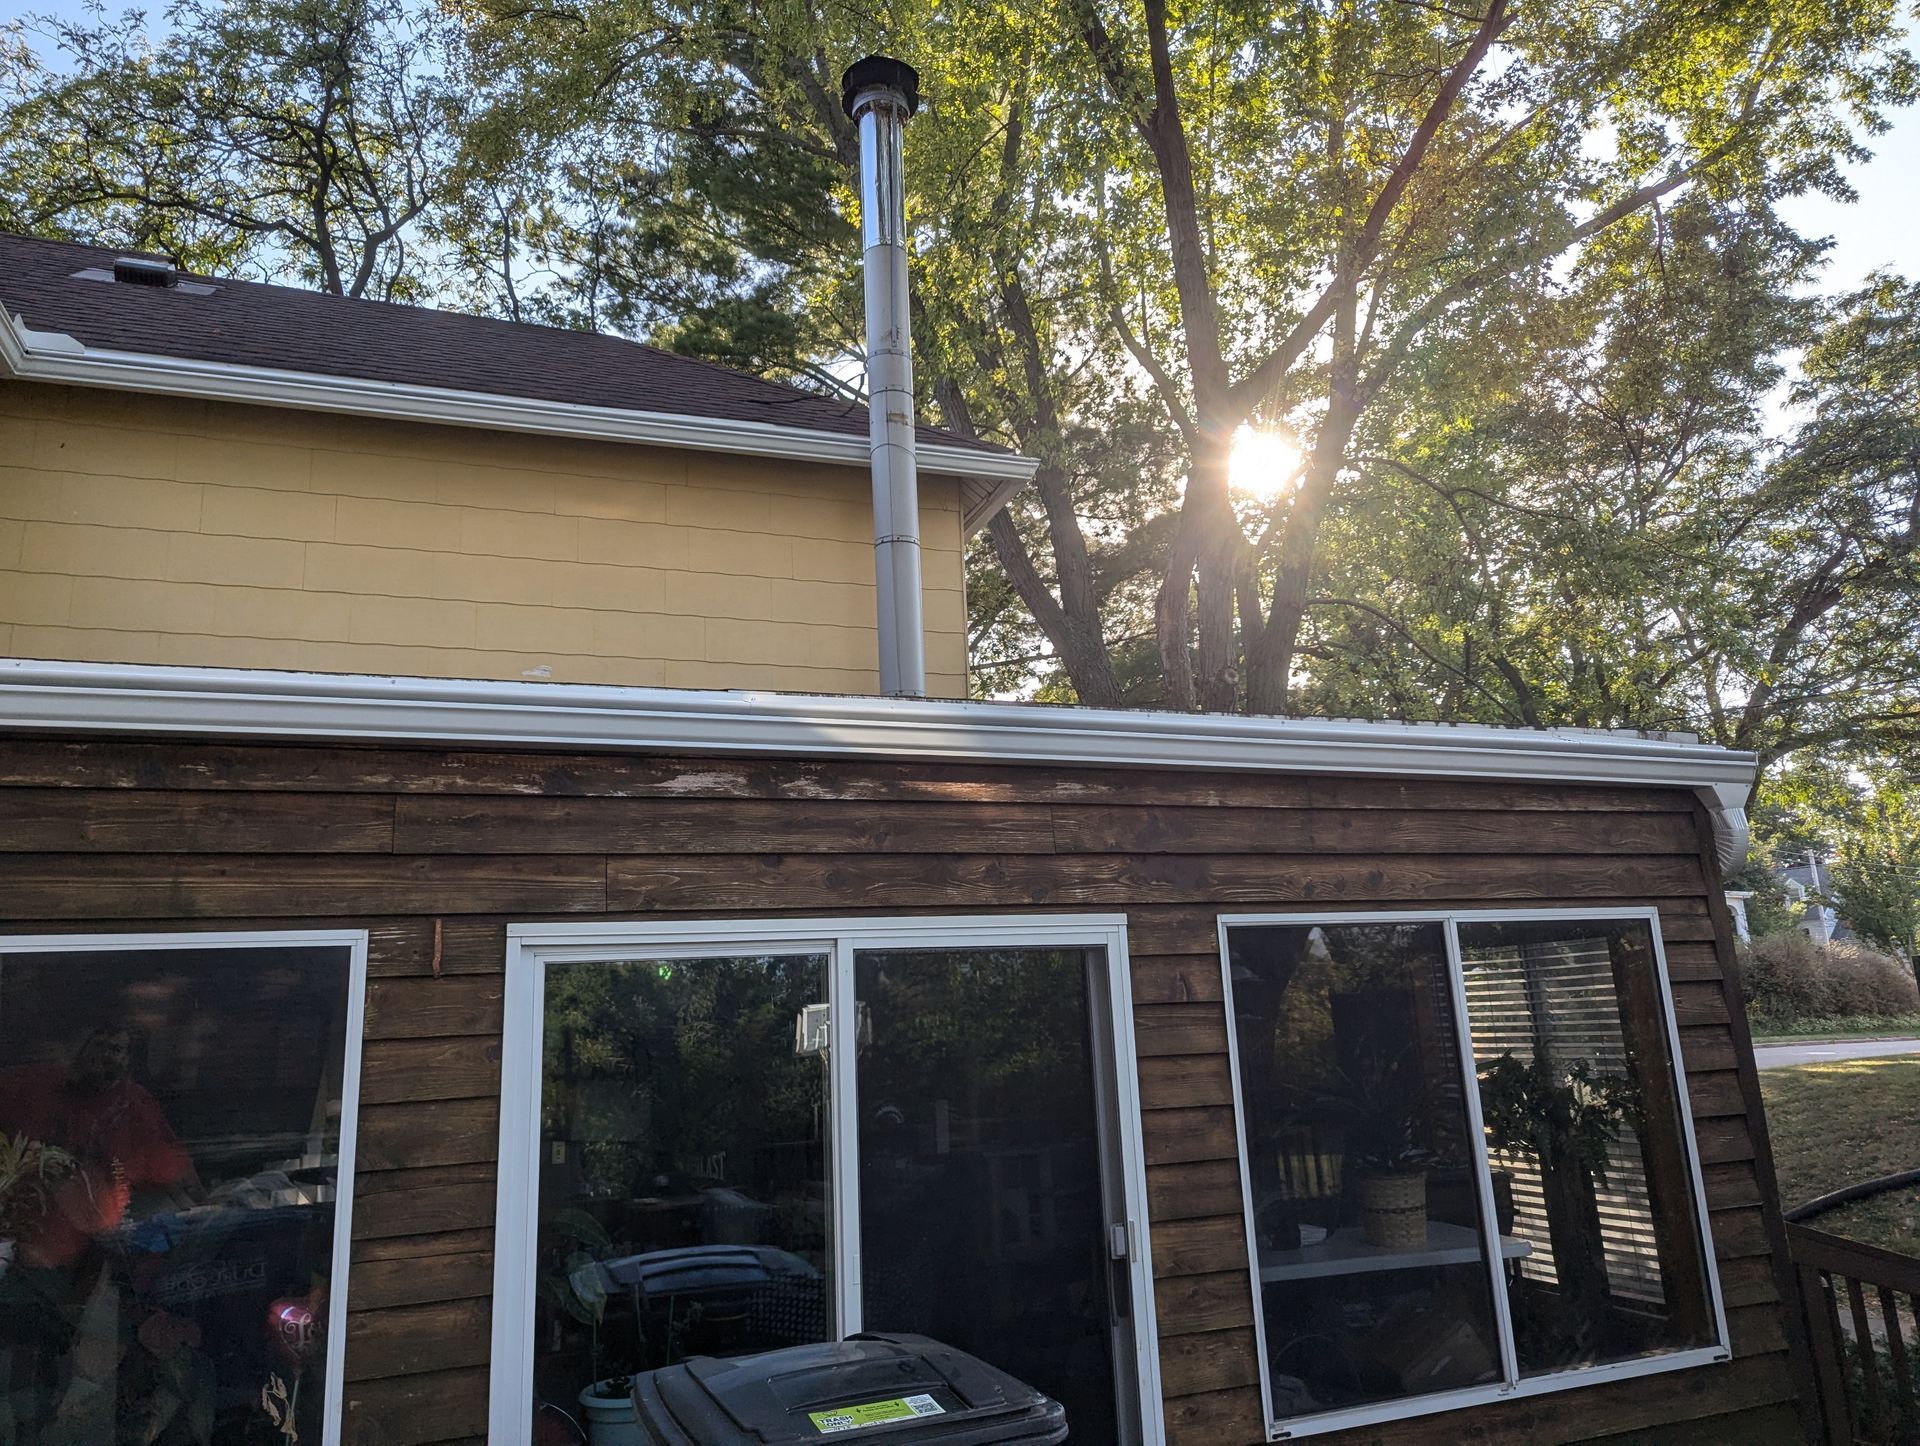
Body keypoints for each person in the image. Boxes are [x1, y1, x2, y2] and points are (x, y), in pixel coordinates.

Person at [0, 1025, 197, 1441]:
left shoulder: (132, 1107)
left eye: (119, 1051)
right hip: (24, 1261)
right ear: (79, 1047)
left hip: (98, 1268)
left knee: (88, 1377)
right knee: (24, 1377)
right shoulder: (31, 1085)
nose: (108, 1059)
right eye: (101, 1046)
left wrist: (207, 1215)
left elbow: (179, 1179)